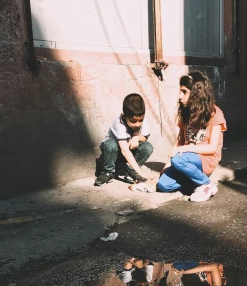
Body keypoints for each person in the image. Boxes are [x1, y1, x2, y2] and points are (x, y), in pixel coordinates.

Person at [157, 71, 227, 202]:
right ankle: (196, 182)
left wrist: (185, 149)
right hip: (186, 159)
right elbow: (178, 143)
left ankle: (206, 184)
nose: (180, 96)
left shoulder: (215, 114)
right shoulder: (186, 114)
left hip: (205, 160)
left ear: (196, 94)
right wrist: (164, 169)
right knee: (163, 185)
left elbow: (212, 148)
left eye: (184, 92)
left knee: (178, 159)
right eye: (180, 91)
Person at [95, 93, 153, 186]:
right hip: (114, 152)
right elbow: (125, 150)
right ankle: (108, 172)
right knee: (110, 144)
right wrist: (142, 173)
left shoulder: (144, 121)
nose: (137, 124)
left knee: (148, 147)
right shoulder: (119, 123)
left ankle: (131, 171)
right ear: (124, 115)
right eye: (133, 121)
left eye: (140, 120)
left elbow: (145, 137)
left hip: (128, 151)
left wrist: (136, 138)